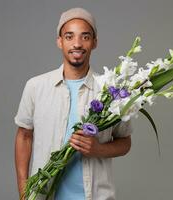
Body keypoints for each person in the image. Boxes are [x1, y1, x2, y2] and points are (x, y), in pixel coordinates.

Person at [14, 7, 132, 200]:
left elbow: (125, 142)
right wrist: (24, 190)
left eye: (85, 37)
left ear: (94, 42)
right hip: (44, 196)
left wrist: (98, 149)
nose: (77, 44)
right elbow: (24, 136)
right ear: (59, 41)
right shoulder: (36, 86)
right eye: (69, 37)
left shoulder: (110, 91)